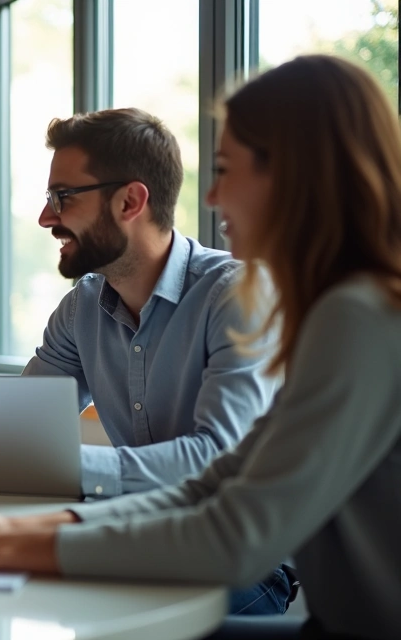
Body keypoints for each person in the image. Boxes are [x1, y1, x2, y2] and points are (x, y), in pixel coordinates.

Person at [0, 55, 401, 640]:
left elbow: (232, 531)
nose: (211, 196)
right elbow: (217, 482)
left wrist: (3, 546)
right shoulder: (341, 308)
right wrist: (9, 535)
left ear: (294, 176)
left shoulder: (357, 317)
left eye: (227, 169)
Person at [23, 108, 287, 613]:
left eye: (63, 197)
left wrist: (63, 468)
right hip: (134, 536)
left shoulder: (237, 295)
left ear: (130, 200)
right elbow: (22, 426)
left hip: (239, 559)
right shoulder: (81, 307)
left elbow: (217, 456)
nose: (46, 218)